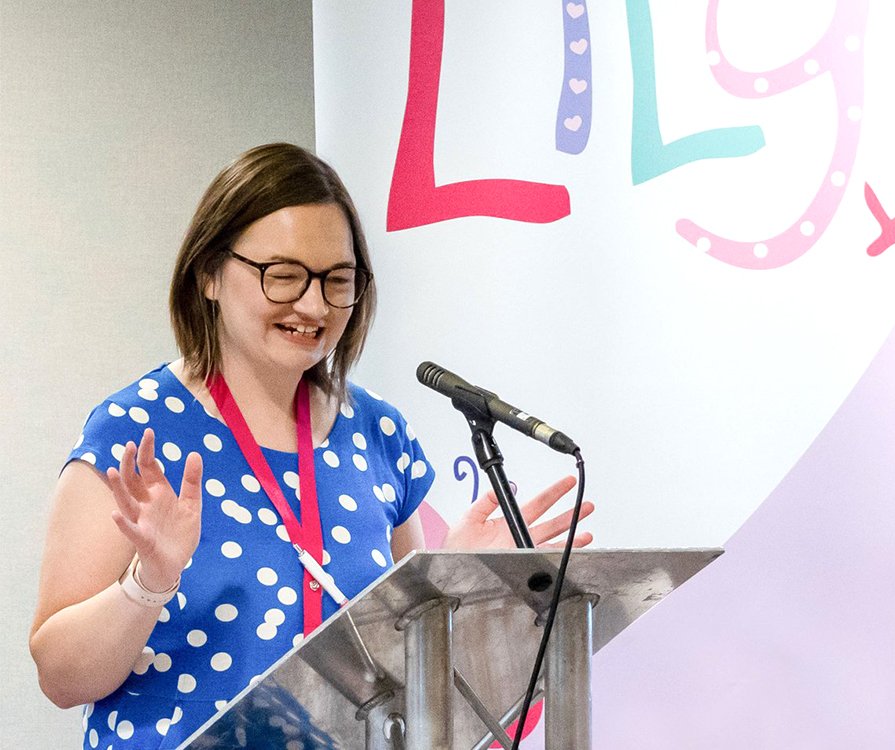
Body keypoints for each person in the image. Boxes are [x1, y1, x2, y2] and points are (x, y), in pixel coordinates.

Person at [28, 143, 594, 749]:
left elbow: (399, 673)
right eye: (284, 275)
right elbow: (61, 677)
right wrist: (151, 580)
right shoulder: (134, 430)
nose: (313, 305)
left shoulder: (378, 431)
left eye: (337, 280)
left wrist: (448, 585)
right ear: (209, 273)